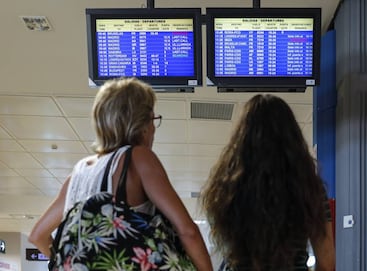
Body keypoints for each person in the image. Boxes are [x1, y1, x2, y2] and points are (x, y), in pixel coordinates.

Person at [29, 77, 213, 271]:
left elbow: (37, 236)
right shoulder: (138, 158)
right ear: (140, 123)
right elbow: (187, 231)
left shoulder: (78, 173)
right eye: (152, 119)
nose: (153, 129)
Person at [200, 94, 335, 271]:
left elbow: (225, 246)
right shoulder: (309, 188)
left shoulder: (224, 189)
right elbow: (327, 261)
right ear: (292, 139)